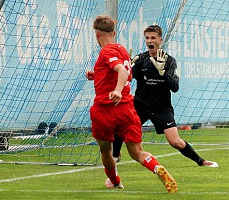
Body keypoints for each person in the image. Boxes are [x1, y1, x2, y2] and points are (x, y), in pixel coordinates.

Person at [85, 15, 177, 193]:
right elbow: (125, 74)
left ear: (97, 35)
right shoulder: (122, 49)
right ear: (114, 32)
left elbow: (120, 70)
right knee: (137, 152)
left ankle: (115, 180)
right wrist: (97, 75)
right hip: (127, 109)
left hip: (106, 109)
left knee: (106, 149)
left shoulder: (106, 51)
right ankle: (157, 167)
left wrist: (117, 90)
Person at [112, 25, 218, 168]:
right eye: (147, 38)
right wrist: (128, 67)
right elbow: (129, 78)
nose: (150, 41)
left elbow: (175, 87)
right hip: (141, 104)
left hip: (161, 107)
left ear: (160, 40)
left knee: (175, 141)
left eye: (153, 38)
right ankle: (115, 155)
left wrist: (163, 73)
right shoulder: (142, 58)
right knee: (121, 128)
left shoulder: (169, 61)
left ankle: (201, 161)